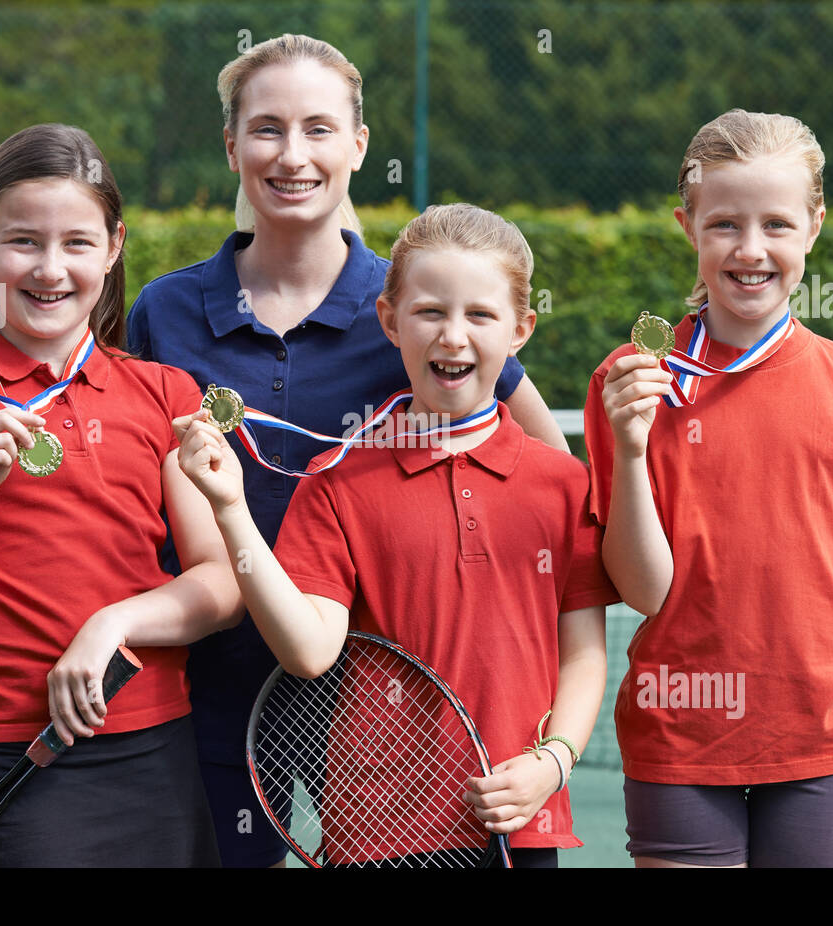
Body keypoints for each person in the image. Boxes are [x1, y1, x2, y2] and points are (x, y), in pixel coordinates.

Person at [127, 34, 569, 867]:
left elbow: (553, 485)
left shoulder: (420, 308)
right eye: (266, 129)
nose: (292, 155)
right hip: (214, 692)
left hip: (390, 711)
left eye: (319, 128)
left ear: (359, 145)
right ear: (231, 145)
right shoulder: (167, 311)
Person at [175, 202, 621, 867]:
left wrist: (551, 766)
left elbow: (582, 655)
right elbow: (307, 649)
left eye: (480, 315)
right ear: (390, 320)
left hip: (520, 822)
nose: (453, 336)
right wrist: (231, 506)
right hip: (377, 836)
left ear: (521, 329)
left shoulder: (562, 482)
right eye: (430, 312)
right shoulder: (336, 482)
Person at [0, 124, 242, 866]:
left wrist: (112, 623)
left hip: (159, 750)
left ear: (112, 247)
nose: (50, 268)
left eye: (76, 241)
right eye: (23, 242)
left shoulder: (165, 392)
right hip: (13, 758)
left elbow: (222, 583)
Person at [585, 109, 833, 868]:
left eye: (777, 224)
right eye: (724, 224)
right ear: (687, 226)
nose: (751, 250)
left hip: (826, 742)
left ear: (814, 225)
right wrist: (628, 446)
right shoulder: (631, 383)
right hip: (679, 737)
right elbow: (644, 592)